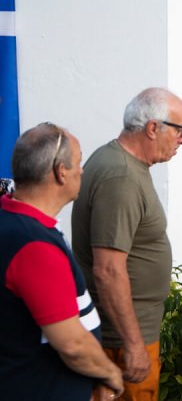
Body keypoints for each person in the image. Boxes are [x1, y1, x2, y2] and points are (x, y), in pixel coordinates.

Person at [72, 88, 182, 401]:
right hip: (121, 341)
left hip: (126, 333)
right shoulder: (121, 176)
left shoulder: (120, 162)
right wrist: (133, 345)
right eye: (180, 130)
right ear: (153, 128)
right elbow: (108, 269)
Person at [0, 124, 123, 400]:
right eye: (79, 162)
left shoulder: (15, 222)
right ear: (60, 171)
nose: (82, 170)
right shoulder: (33, 244)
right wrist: (111, 374)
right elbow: (72, 344)